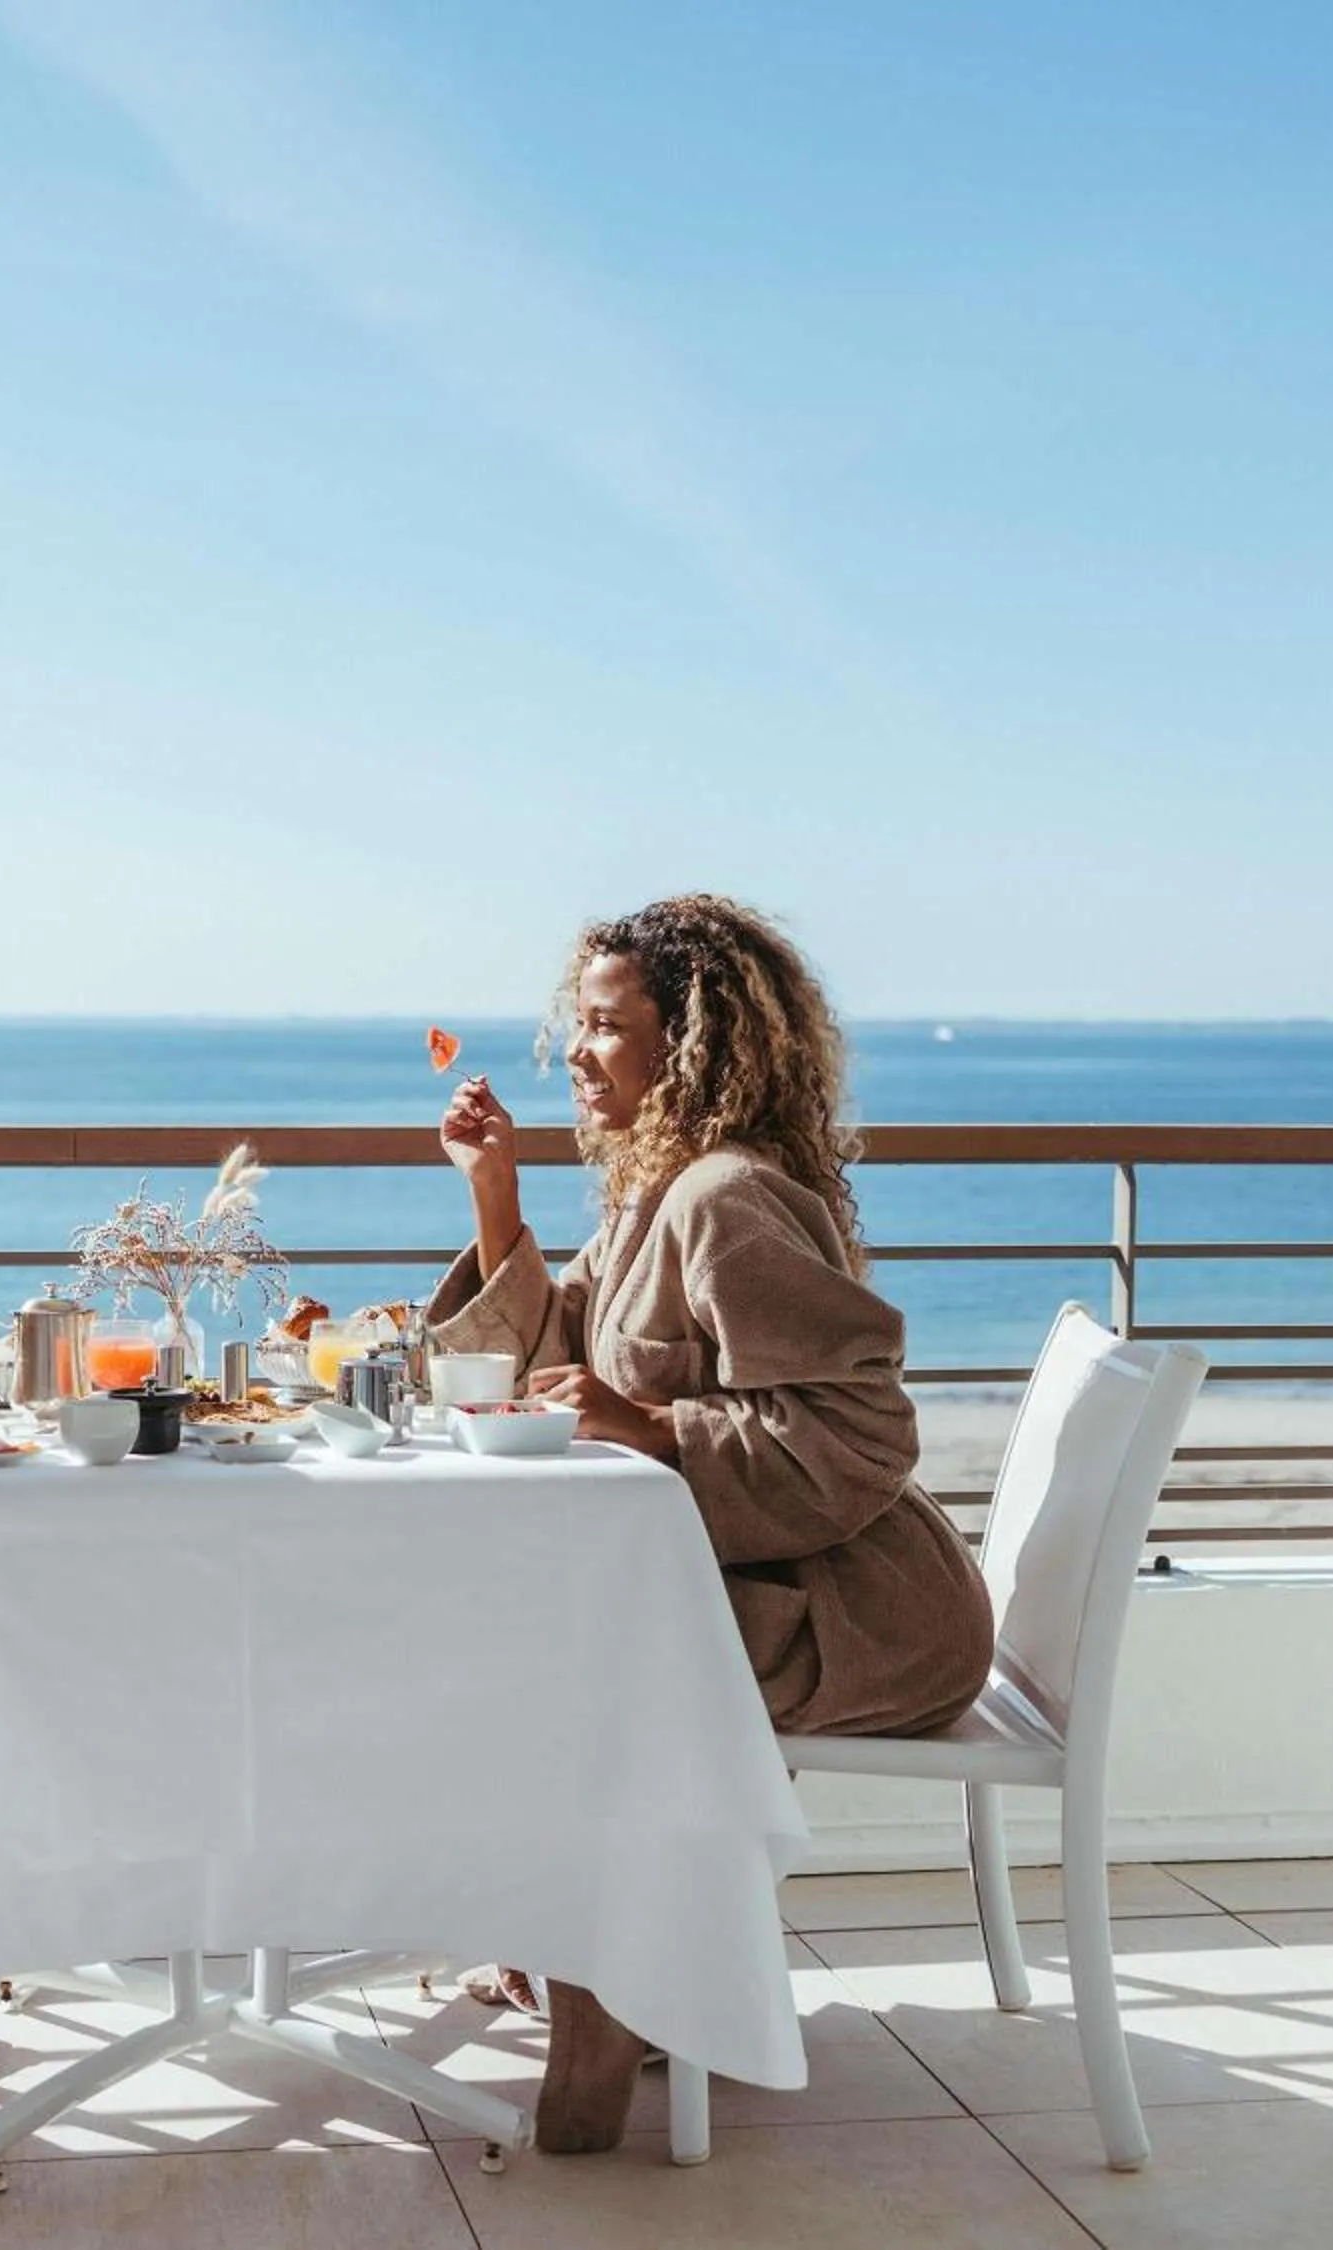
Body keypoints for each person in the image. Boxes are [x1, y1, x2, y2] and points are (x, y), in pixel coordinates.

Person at [428, 893, 994, 2153]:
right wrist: (495, 1201)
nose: (573, 1053)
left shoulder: (727, 1197)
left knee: (574, 1668)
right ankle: (589, 1952)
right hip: (735, 1582)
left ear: (691, 1046)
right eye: (573, 1026)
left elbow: (859, 1438)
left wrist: (652, 1429)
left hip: (864, 1613)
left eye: (603, 1028)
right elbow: (559, 1351)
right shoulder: (651, 1191)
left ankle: (606, 1995)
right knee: (516, 1640)